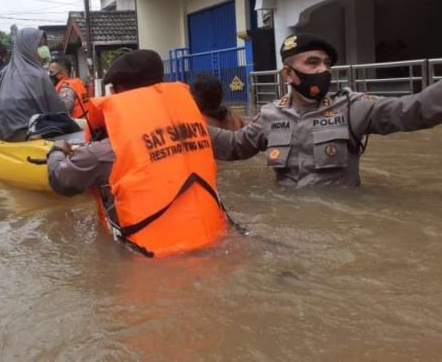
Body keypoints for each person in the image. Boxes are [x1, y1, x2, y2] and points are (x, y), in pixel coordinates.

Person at [47, 50, 229, 258]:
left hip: (150, 262)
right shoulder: (197, 130)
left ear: (120, 91)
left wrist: (57, 150)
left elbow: (60, 179)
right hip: (215, 243)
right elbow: (237, 145)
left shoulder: (107, 150)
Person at [209, 33, 442, 187]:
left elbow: (412, 110)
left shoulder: (352, 107)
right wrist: (181, 125)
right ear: (288, 74)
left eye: (327, 64)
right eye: (312, 63)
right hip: (289, 223)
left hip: (343, 227)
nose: (324, 70)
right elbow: (235, 146)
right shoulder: (271, 115)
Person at [0, 27, 65, 142]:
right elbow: (59, 112)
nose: (43, 49)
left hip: (3, 135)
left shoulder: (3, 73)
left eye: (44, 45)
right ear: (28, 48)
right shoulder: (40, 75)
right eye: (39, 45)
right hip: (30, 136)